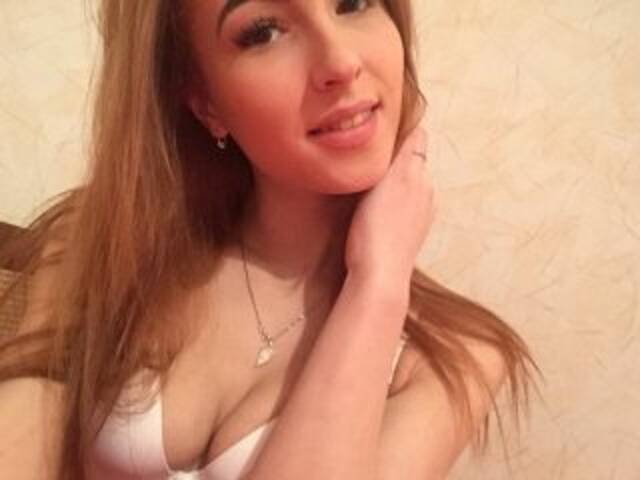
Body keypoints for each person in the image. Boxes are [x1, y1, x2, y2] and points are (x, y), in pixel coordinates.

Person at [0, 1, 538, 479]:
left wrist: (378, 284)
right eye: (263, 31)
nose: (340, 62)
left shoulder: (456, 356)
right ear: (204, 101)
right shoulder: (97, 247)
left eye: (353, 3)